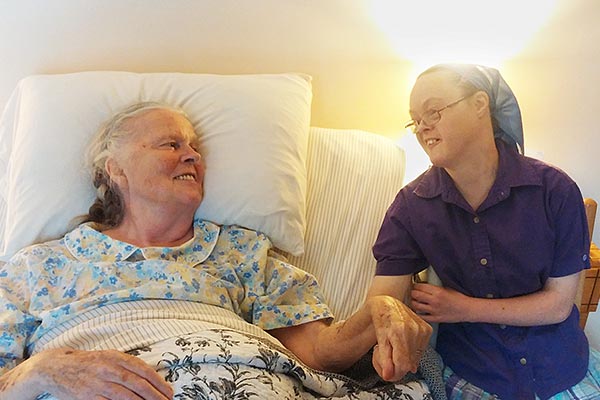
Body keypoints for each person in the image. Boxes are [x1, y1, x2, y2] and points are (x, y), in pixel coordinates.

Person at [0, 102, 432, 400]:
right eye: (171, 145)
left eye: (195, 148)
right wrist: (39, 371)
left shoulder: (241, 251)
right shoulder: (40, 266)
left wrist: (380, 312)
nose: (192, 156)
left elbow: (317, 353)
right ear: (115, 170)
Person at [370, 63, 600, 399]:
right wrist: (388, 336)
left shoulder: (555, 191)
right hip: (473, 376)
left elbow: (558, 305)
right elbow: (383, 297)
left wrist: (462, 307)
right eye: (415, 119)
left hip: (561, 369)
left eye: (433, 111)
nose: (422, 127)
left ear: (480, 104)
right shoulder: (412, 206)